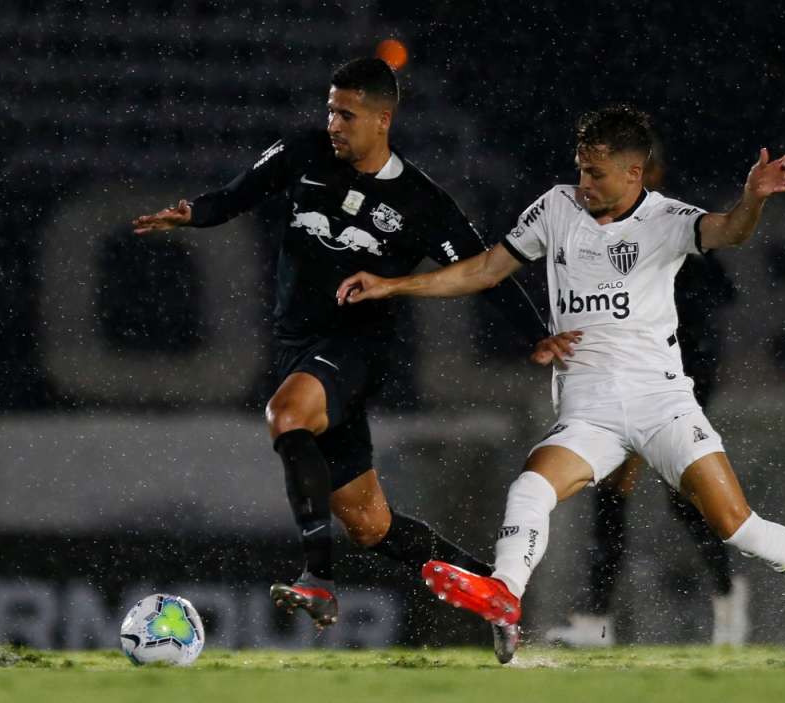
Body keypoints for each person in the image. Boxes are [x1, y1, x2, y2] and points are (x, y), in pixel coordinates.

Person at [335, 105, 785, 669]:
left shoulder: (668, 218)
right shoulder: (555, 208)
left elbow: (729, 230)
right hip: (590, 410)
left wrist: (753, 198)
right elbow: (483, 269)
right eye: (580, 170)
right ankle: (504, 591)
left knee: (737, 527)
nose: (584, 184)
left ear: (634, 173)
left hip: (662, 403)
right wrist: (392, 286)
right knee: (531, 486)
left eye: (596, 174)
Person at [132, 57, 547, 629]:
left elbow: (485, 271)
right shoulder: (305, 152)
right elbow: (237, 194)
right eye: (330, 110)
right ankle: (499, 599)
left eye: (346, 114)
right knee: (371, 524)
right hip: (296, 345)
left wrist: (539, 337)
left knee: (287, 414)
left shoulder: (421, 202)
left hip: (356, 348)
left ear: (383, 118)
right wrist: (193, 215)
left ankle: (318, 579)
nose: (333, 123)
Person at [546, 133, 745, 648]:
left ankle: (727, 598)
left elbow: (718, 294)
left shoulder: (672, 223)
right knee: (611, 490)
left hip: (678, 376)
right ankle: (595, 621)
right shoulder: (598, 227)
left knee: (684, 498)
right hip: (625, 375)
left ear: (646, 174)